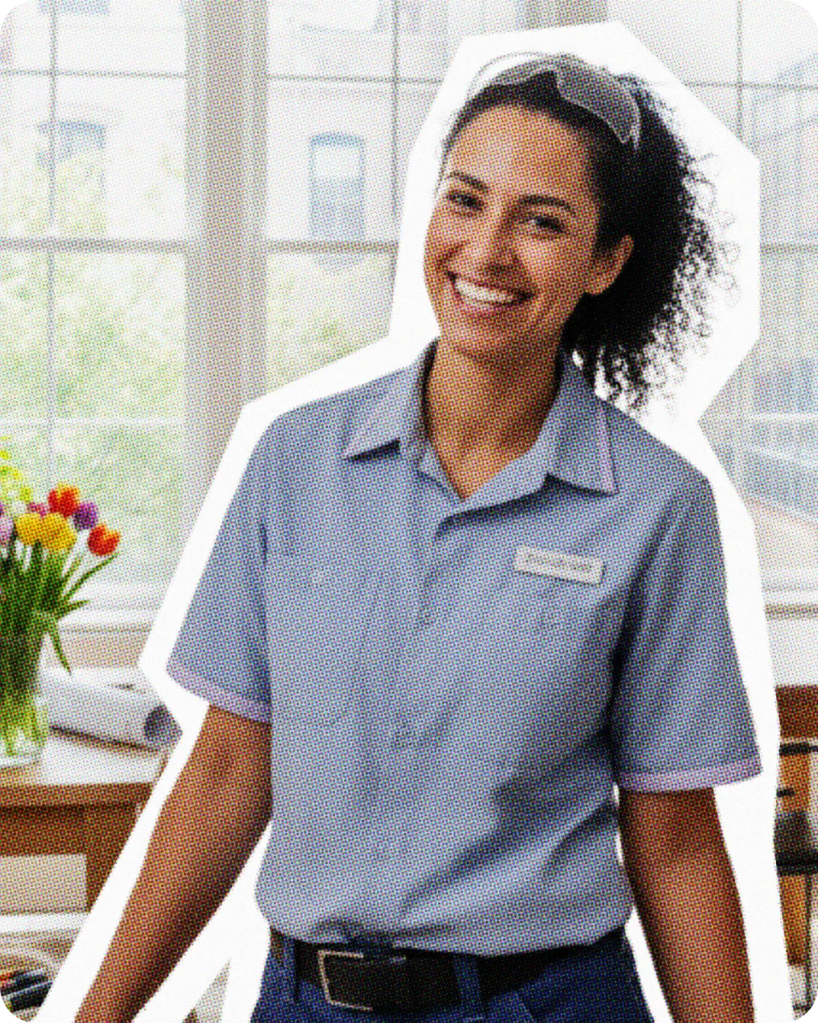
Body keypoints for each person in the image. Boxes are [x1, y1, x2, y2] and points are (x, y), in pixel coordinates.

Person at [76, 52, 763, 1023]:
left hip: (544, 1005)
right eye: (463, 199)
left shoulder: (656, 508)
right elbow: (230, 767)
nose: (485, 252)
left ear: (606, 261)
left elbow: (676, 840)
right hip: (300, 1002)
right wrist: (99, 1014)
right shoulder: (293, 460)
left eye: (541, 220)